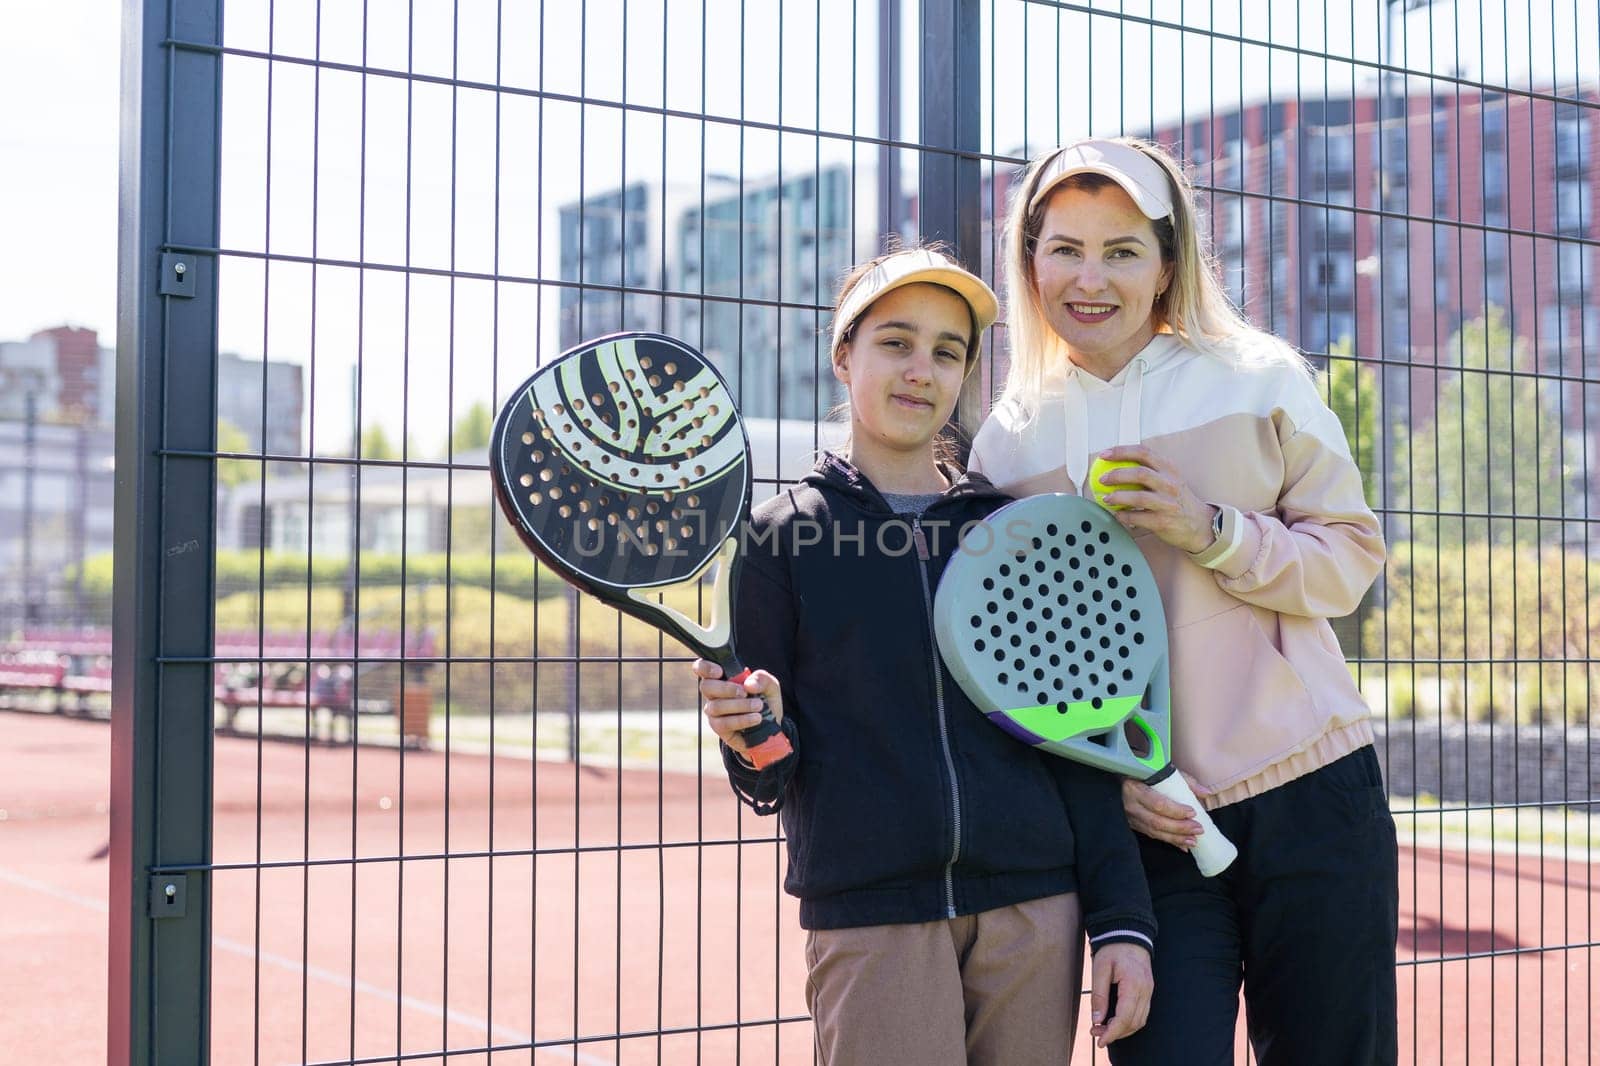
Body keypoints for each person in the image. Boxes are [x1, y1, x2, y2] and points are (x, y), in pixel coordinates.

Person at [968, 138, 1398, 1066]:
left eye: (1123, 250)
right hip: (1150, 825)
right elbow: (1024, 669)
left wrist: (1214, 529)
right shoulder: (1005, 447)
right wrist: (1113, 781)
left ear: (1170, 263)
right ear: (1029, 260)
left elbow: (1351, 559)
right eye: (1065, 248)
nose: (1091, 277)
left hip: (1310, 794)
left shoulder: (1257, 376)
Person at [695, 246, 1157, 1066]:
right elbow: (768, 770)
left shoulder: (1014, 531)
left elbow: (1077, 737)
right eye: (896, 342)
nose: (921, 370)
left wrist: (1122, 921)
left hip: (1035, 909)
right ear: (844, 355)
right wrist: (752, 732)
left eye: (948, 352)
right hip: (874, 916)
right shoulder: (780, 538)